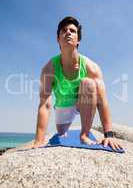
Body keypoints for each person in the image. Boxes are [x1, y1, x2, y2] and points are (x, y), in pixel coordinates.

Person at [32, 16, 122, 150]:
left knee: (89, 83)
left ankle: (84, 134)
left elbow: (102, 101)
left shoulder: (91, 67)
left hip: (84, 102)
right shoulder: (49, 68)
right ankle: (64, 130)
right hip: (63, 107)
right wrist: (39, 140)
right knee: (62, 135)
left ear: (78, 39)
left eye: (72, 31)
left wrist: (109, 134)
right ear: (58, 39)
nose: (68, 32)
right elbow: (45, 104)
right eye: (64, 30)